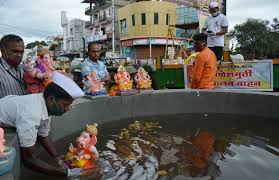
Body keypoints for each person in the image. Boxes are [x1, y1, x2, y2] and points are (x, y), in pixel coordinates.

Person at [0, 71, 85, 177]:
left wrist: (57, 157)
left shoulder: (44, 102)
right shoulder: (31, 115)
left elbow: (43, 134)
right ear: (51, 99)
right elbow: (28, 159)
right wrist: (65, 173)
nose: (67, 109)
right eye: (65, 105)